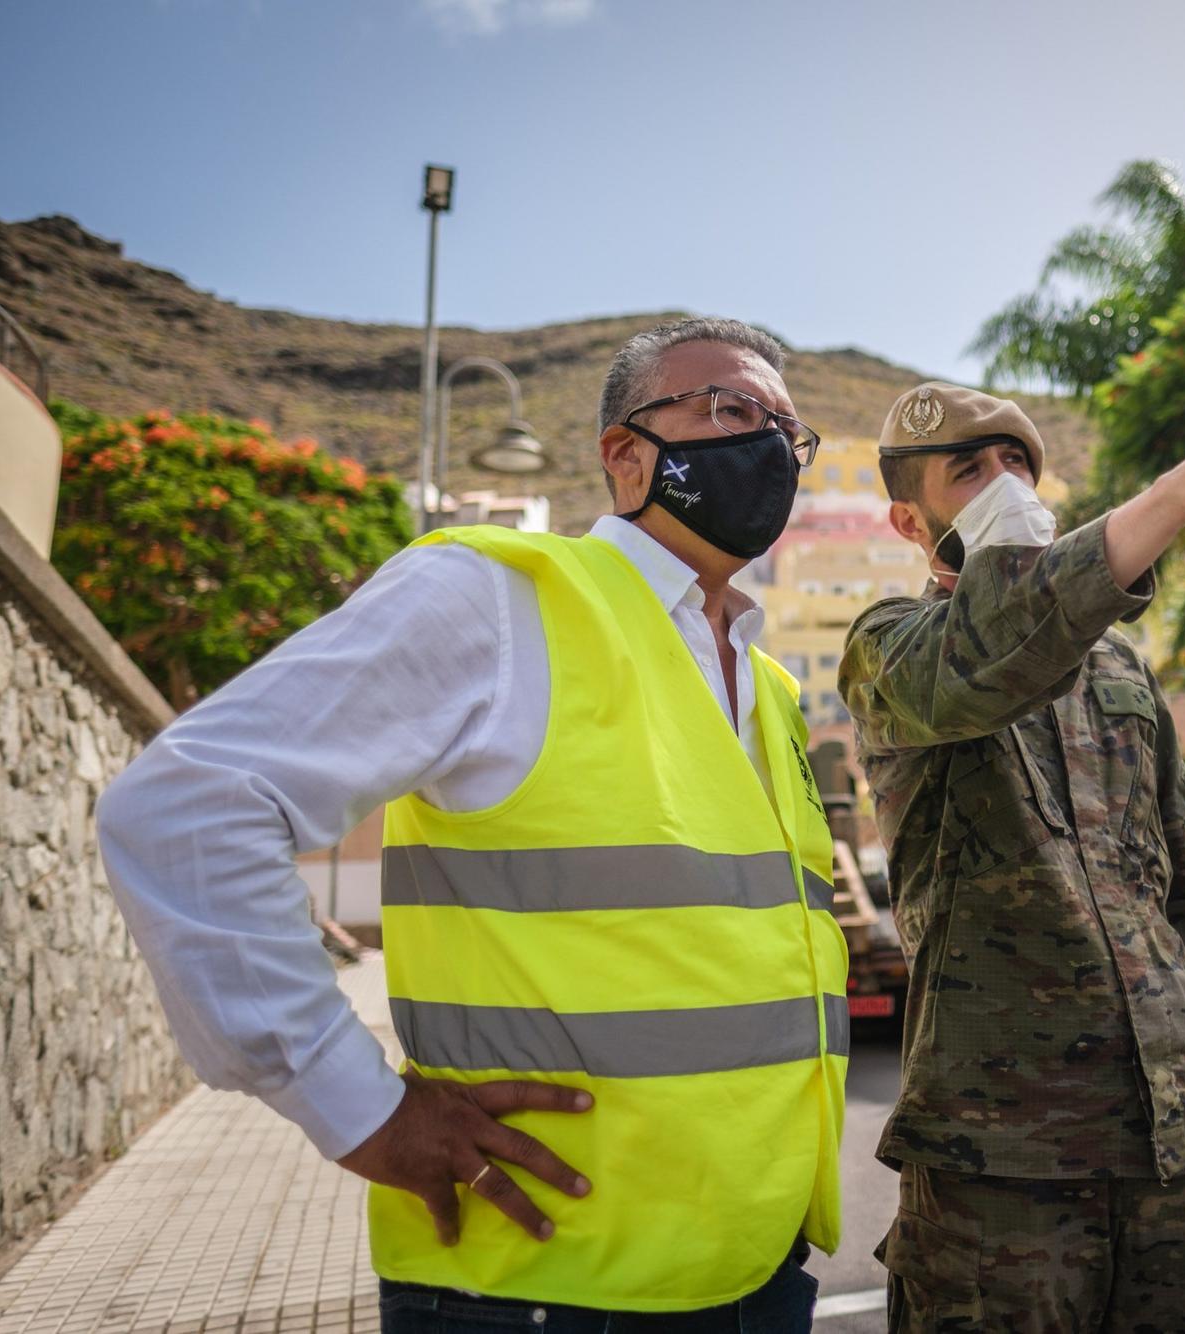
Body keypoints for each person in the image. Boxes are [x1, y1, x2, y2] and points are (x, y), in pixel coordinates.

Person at [96, 319, 848, 1330]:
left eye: (784, 428)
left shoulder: (762, 683)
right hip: (546, 1288)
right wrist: (360, 1112)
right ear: (624, 455)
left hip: (758, 1269)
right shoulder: (498, 600)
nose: (764, 442)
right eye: (725, 409)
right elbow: (187, 807)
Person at [842, 311, 1185, 1332]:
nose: (1007, 485)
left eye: (1018, 463)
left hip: (1178, 1143)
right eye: (968, 472)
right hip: (998, 1161)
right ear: (908, 525)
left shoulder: (1118, 670)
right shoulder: (888, 649)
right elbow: (997, 643)